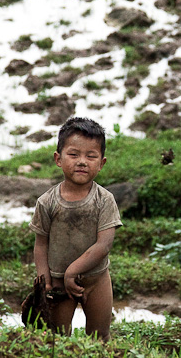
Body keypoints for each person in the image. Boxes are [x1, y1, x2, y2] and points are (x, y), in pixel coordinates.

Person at [28, 117, 122, 339]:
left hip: (96, 279)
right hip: (58, 283)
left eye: (91, 156)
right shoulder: (47, 202)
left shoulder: (104, 200)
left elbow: (104, 245)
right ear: (58, 159)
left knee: (100, 336)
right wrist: (44, 280)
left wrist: (73, 271)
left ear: (102, 163)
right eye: (74, 154)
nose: (82, 162)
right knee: (57, 337)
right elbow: (41, 245)